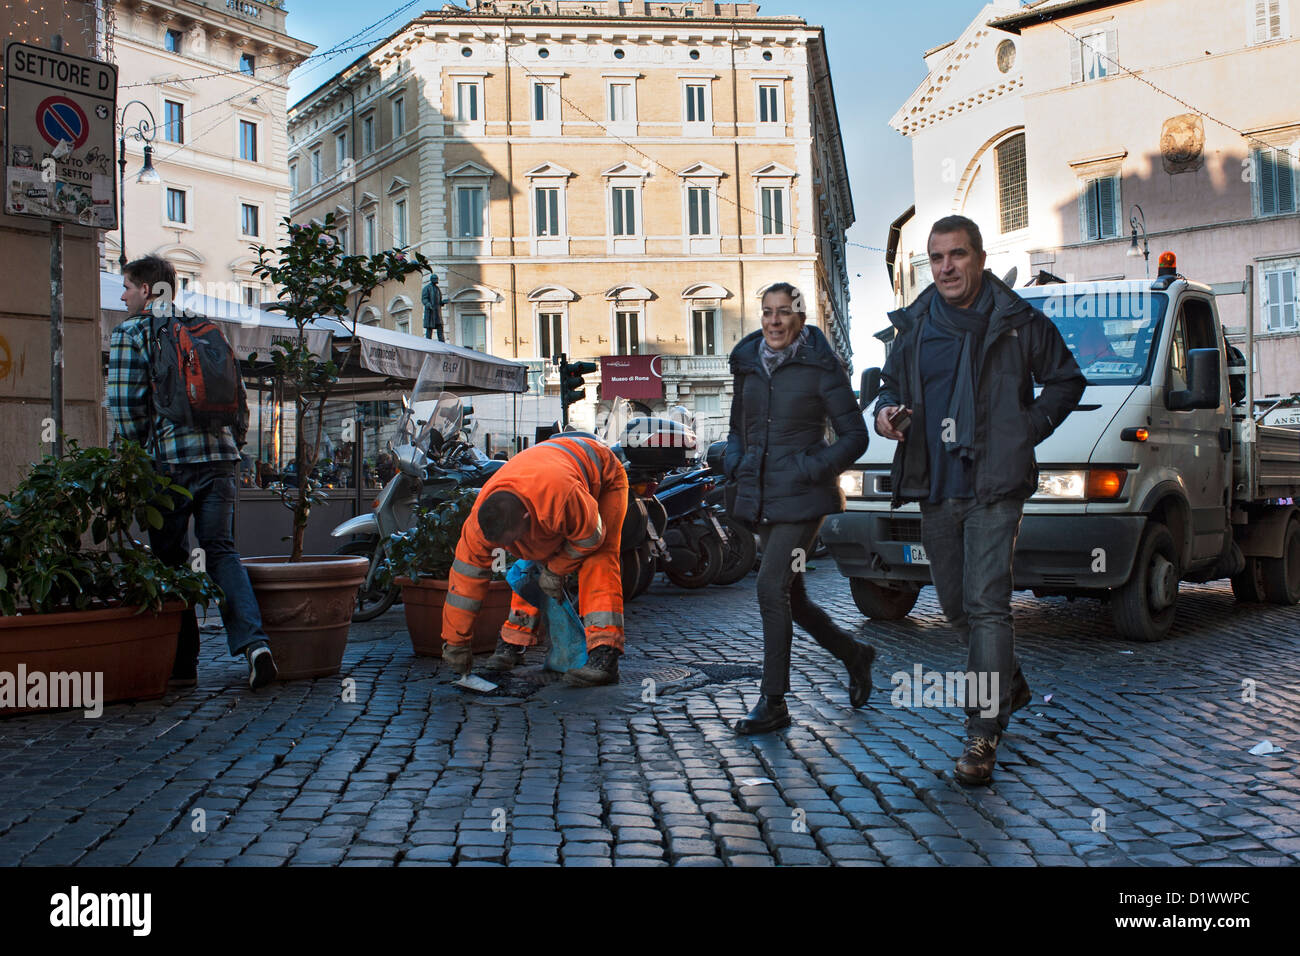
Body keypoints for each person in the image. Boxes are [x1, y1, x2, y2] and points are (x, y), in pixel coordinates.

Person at [874, 216, 1086, 785]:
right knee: (954, 605)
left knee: (988, 603)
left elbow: (1067, 381)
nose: (945, 267)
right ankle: (1010, 684)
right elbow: (889, 387)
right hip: (935, 479)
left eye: (957, 255)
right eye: (937, 257)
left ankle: (981, 733)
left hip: (995, 482)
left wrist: (1026, 428)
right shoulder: (914, 326)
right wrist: (887, 415)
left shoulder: (1016, 320)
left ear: (980, 258)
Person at [108, 254, 278, 691]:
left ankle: (182, 664)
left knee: (170, 560)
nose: (123, 294)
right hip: (220, 460)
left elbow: (126, 409)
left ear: (147, 290)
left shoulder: (132, 332)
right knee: (220, 550)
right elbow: (239, 401)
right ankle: (256, 646)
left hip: (167, 464)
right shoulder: (206, 329)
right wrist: (231, 448)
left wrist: (137, 460)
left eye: (127, 286)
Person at [723, 282, 873, 735]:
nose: (773, 321)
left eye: (783, 312)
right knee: (793, 596)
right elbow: (737, 428)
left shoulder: (822, 368)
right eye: (767, 311)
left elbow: (855, 437)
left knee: (771, 587)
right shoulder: (748, 366)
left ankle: (773, 702)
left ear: (799, 317)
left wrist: (811, 467)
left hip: (804, 501)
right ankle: (854, 654)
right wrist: (734, 461)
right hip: (765, 496)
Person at [441, 433, 628, 687]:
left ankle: (604, 656)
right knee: (529, 562)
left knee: (599, 561)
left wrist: (556, 570)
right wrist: (456, 642)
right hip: (549, 474)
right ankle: (513, 641)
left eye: (511, 541)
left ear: (528, 517)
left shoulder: (561, 496)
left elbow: (591, 536)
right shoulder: (478, 525)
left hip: (603, 479)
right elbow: (463, 586)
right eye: (503, 545)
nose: (507, 549)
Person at [422, 274, 446, 342]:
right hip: (431, 311)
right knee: (429, 329)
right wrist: (428, 304)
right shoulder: (427, 288)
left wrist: (442, 302)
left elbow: (439, 301)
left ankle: (442, 343)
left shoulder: (437, 289)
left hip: (437, 312)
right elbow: (424, 299)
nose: (436, 281)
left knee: (440, 327)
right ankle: (428, 343)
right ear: (432, 280)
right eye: (435, 280)